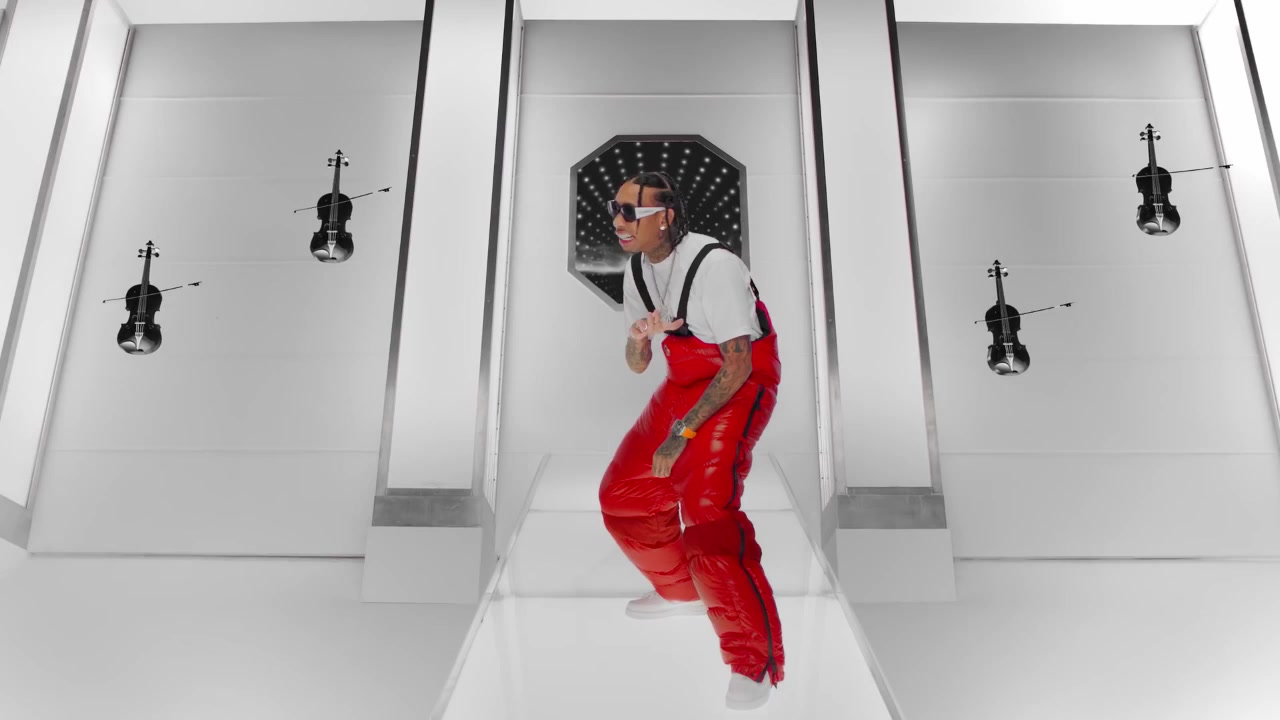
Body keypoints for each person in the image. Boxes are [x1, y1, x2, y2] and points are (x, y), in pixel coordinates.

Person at [597, 171, 785, 711]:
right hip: (684, 380)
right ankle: (684, 592)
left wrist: (681, 435)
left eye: (630, 212)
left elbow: (738, 364)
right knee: (623, 496)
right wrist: (640, 340)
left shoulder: (714, 265)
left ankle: (755, 661)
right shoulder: (638, 268)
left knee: (708, 513)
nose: (618, 221)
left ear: (666, 218)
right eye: (615, 209)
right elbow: (638, 365)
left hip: (739, 381)